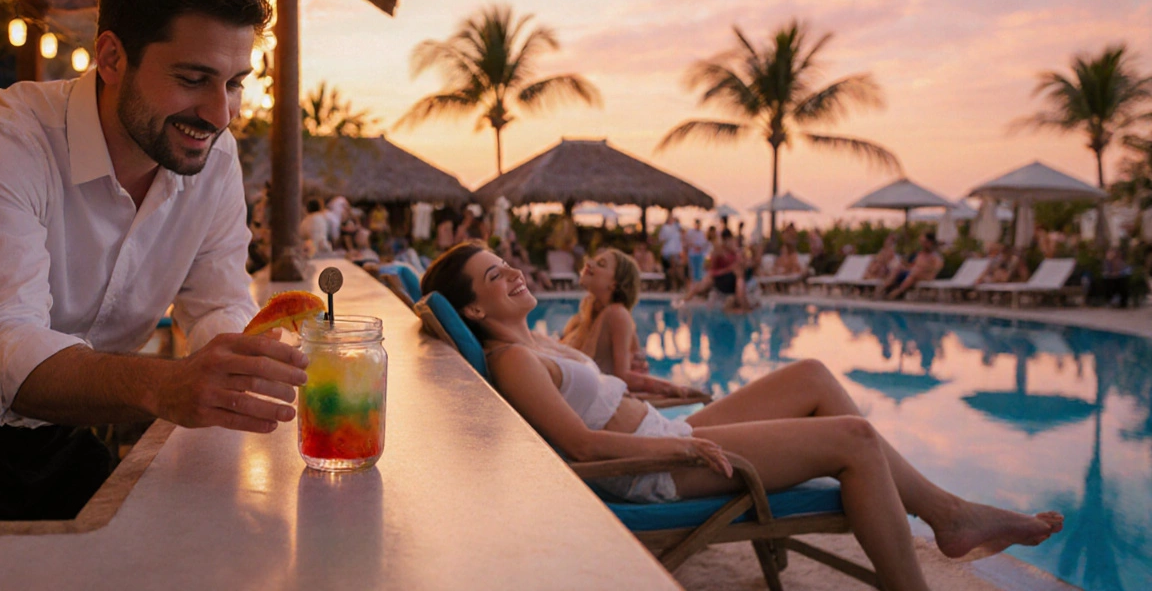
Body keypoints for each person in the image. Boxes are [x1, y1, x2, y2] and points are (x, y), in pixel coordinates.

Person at [0, 0, 308, 524]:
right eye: (192, 78)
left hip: (60, 435)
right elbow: (1, 351)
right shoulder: (0, 139)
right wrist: (168, 385)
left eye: (233, 84)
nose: (219, 114)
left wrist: (235, 365)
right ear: (110, 57)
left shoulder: (215, 160)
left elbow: (216, 304)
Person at [422, 242, 1063, 590]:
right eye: (491, 274)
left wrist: (670, 418)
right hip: (655, 470)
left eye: (502, 262)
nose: (510, 271)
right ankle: (940, 529)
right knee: (856, 440)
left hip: (664, 433)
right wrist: (680, 451)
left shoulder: (535, 341)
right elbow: (585, 449)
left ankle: (946, 515)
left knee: (811, 374)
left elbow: (606, 401)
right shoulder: (512, 359)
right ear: (474, 310)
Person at [560, 249, 698, 389]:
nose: (589, 263)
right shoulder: (587, 317)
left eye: (601, 264)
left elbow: (623, 376)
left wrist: (675, 389)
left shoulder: (617, 313)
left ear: (614, 284)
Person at [878, 233, 943, 300]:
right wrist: (904, 265)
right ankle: (882, 290)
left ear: (930, 243)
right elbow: (913, 265)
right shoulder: (921, 254)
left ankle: (896, 293)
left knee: (915, 273)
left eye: (924, 242)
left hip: (923, 275)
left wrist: (922, 269)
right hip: (913, 273)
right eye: (922, 242)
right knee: (897, 268)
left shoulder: (935, 256)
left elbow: (935, 269)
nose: (922, 244)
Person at [657, 216, 685, 291]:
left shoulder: (677, 229)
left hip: (675, 253)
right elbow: (662, 239)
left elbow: (680, 240)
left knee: (676, 270)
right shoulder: (666, 228)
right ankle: (672, 286)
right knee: (670, 271)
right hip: (668, 253)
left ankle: (676, 286)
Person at [684, 219, 710, 284]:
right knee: (692, 270)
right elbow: (687, 242)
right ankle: (693, 284)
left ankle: (698, 284)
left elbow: (704, 244)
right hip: (692, 254)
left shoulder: (702, 233)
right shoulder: (690, 232)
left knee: (700, 269)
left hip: (700, 254)